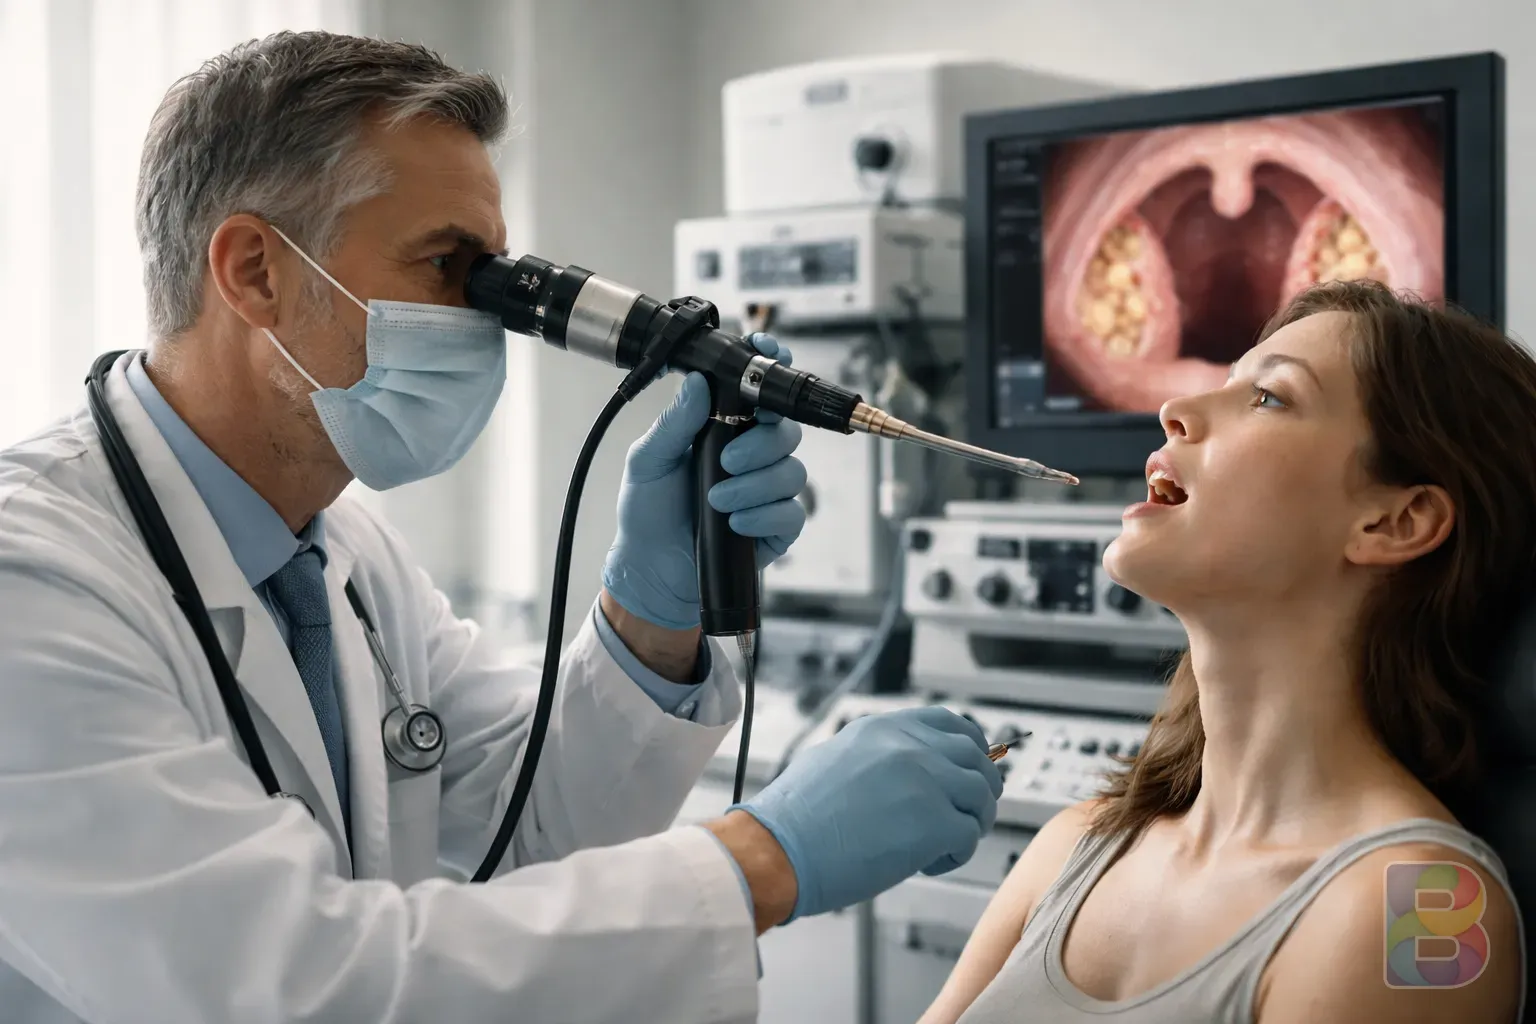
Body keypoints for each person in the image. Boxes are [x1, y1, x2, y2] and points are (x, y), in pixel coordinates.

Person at [0, 31, 1003, 1024]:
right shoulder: (33, 586)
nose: (486, 322)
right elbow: (290, 985)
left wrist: (650, 615)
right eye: (450, 268)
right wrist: (764, 862)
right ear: (256, 271)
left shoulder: (341, 553)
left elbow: (539, 825)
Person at [921, 280, 1530, 1024]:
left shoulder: (1432, 904)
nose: (1174, 410)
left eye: (1270, 397)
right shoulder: (1076, 845)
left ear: (1396, 521)